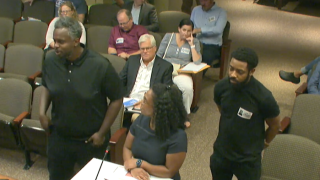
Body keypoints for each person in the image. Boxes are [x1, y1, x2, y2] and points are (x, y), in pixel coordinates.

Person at [39, 17, 124, 180]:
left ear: (76, 41)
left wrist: (102, 133)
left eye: (61, 42)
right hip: (59, 138)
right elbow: (47, 85)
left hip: (90, 141)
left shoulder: (100, 65)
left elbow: (117, 98)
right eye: (55, 40)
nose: (55, 45)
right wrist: (42, 113)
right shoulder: (50, 60)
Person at [211, 47, 281, 180]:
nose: (233, 74)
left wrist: (265, 142)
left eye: (240, 72)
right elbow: (222, 110)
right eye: (231, 68)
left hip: (247, 159)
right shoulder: (221, 87)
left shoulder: (263, 97)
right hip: (222, 153)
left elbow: (275, 125)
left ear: (252, 71)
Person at [123, 84, 187, 180]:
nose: (141, 103)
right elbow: (127, 147)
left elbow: (169, 171)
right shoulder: (141, 120)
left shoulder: (178, 136)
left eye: (145, 101)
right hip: (137, 175)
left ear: (157, 109)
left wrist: (140, 164)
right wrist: (133, 168)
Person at [157, 18, 201, 117]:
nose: (186, 33)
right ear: (179, 29)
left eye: (189, 31)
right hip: (165, 69)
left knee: (188, 89)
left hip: (181, 72)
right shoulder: (169, 36)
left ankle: (184, 116)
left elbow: (197, 61)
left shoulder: (195, 42)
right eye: (184, 30)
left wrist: (192, 45)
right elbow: (159, 55)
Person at [191, 0, 227, 75]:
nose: (202, 3)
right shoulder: (196, 10)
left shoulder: (221, 12)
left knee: (205, 57)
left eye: (205, 1)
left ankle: (196, 79)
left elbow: (218, 30)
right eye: (201, 1)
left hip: (212, 45)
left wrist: (199, 30)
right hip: (196, 42)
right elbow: (190, 26)